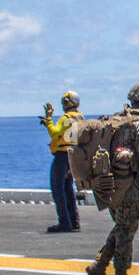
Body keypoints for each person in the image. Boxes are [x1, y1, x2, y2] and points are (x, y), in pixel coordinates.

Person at [85, 83, 139, 275]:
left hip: (109, 182)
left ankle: (99, 265)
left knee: (122, 225)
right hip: (127, 184)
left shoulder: (118, 120)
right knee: (128, 227)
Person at [40, 91, 83, 233]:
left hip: (62, 155)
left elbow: (55, 133)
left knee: (58, 188)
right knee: (68, 188)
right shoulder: (80, 117)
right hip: (74, 155)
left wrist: (49, 119)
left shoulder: (66, 118)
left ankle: (64, 222)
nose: (63, 105)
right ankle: (74, 221)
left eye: (65, 102)